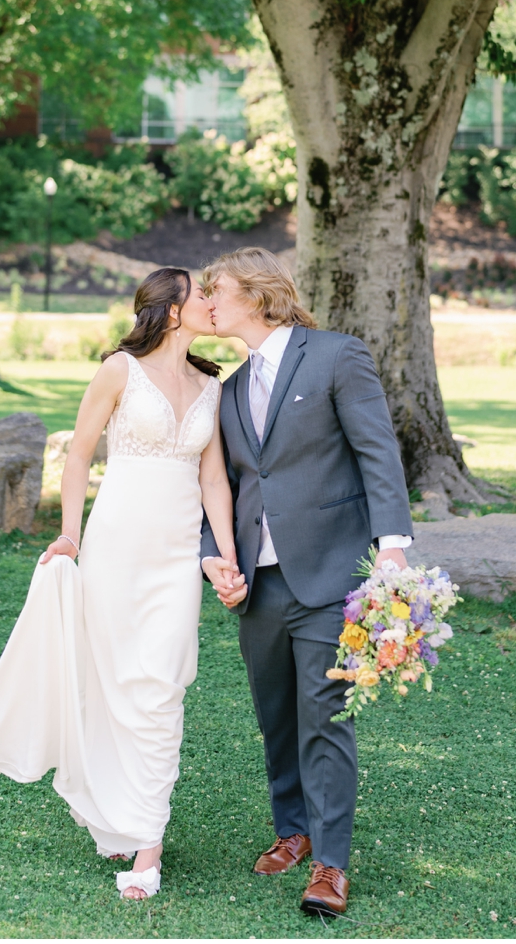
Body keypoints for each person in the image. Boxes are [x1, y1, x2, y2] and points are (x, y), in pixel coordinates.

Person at [0, 268, 239, 903]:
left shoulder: (210, 383)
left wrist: (223, 554)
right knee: (110, 683)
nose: (213, 306)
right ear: (170, 311)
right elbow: (80, 452)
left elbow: (214, 478)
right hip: (114, 548)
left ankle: (148, 844)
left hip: (174, 559)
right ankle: (111, 810)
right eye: (202, 297)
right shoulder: (118, 371)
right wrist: (71, 535)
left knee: (161, 690)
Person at [200, 247, 413, 920]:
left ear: (260, 296)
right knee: (277, 714)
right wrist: (217, 557)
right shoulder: (228, 389)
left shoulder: (335, 356)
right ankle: (290, 829)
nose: (207, 300)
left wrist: (394, 549)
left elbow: (378, 450)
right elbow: (226, 488)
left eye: (217, 290)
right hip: (258, 587)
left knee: (326, 718)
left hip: (329, 573)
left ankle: (330, 862)